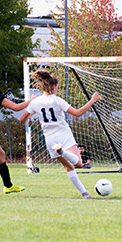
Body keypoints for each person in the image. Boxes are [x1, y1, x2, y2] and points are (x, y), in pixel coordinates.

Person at [19, 70, 100, 199]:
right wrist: (92, 100)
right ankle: (62, 151)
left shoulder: (35, 102)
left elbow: (22, 120)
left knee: (68, 167)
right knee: (78, 163)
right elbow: (77, 113)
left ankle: (85, 194)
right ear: (53, 86)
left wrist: (35, 113)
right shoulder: (57, 100)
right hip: (63, 134)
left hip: (50, 139)